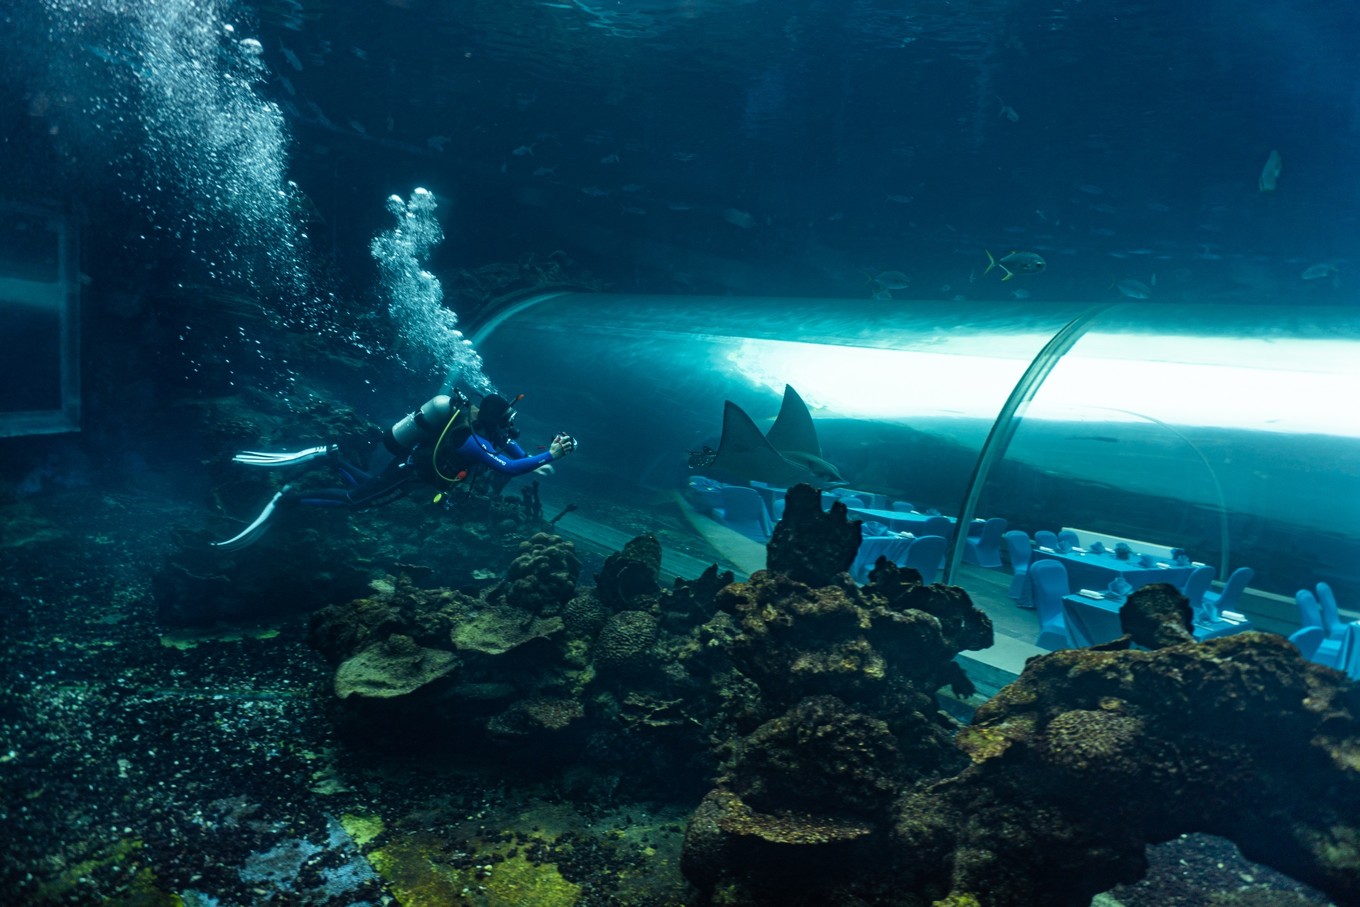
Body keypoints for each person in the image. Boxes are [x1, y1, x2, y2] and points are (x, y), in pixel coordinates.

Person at [211, 391, 576, 550]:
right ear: (495, 419)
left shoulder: (480, 429)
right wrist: (550, 456)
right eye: (505, 423)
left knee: (370, 489)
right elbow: (509, 468)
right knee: (356, 501)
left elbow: (509, 447)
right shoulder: (468, 439)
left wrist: (537, 458)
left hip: (410, 471)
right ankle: (290, 498)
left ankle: (332, 458)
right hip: (409, 474)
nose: (507, 430)